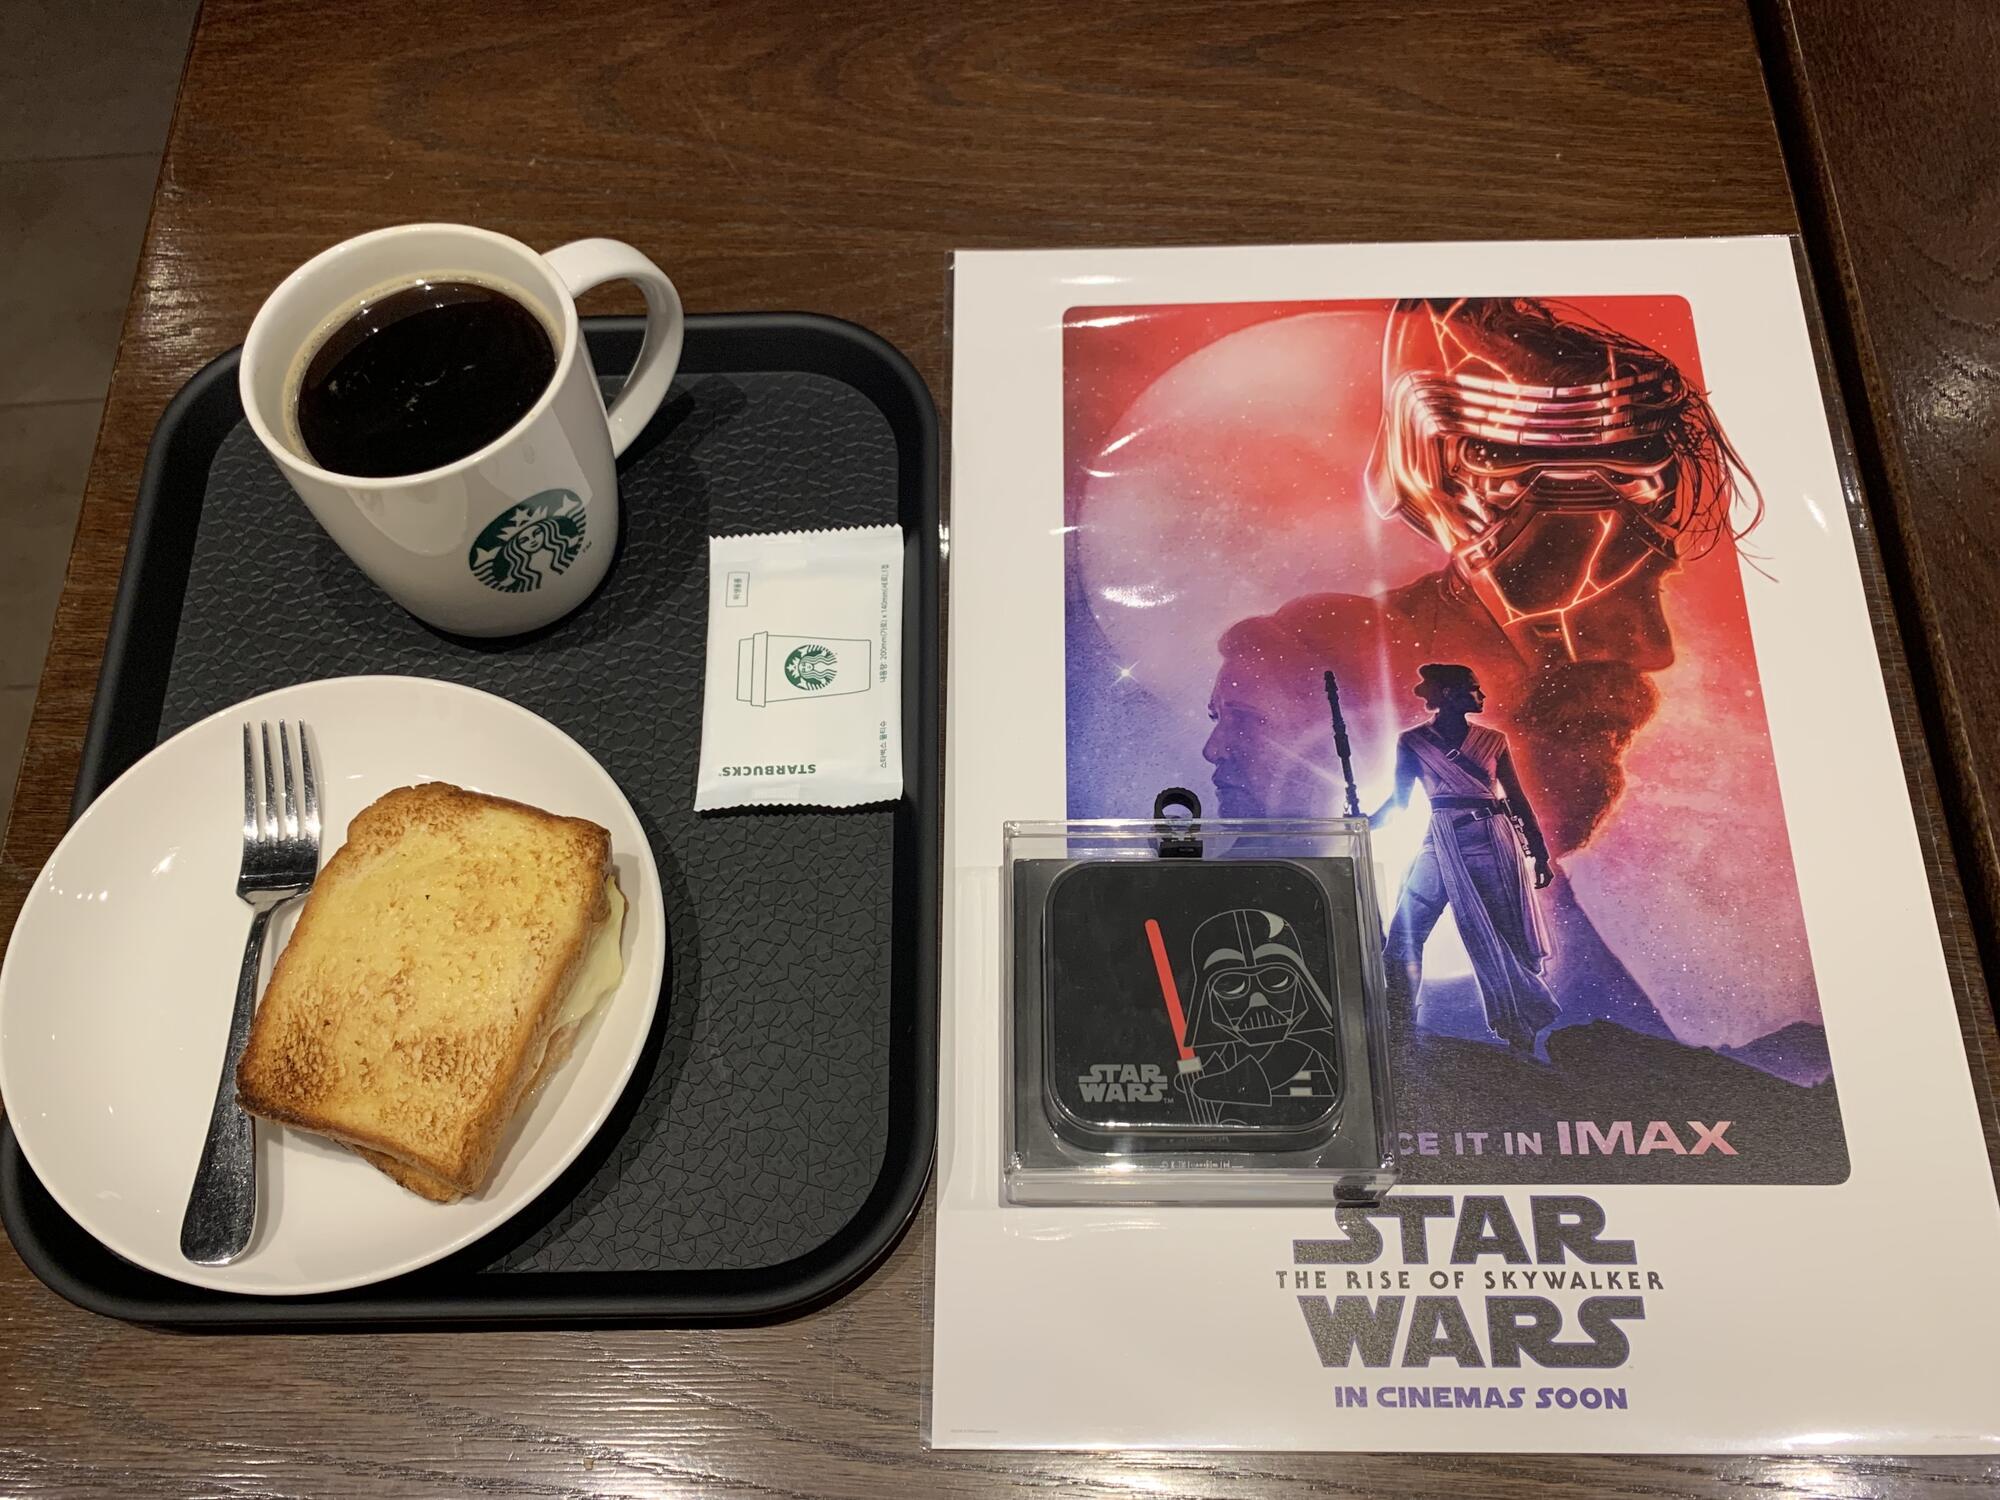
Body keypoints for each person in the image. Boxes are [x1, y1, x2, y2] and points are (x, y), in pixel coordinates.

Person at [1371, 663, 1557, 1054]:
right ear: (1450, 693)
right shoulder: (1413, 742)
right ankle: (1399, 1024)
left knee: (1507, 938)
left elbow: (1516, 799)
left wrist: (1539, 853)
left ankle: (1520, 1032)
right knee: (1405, 935)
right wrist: (1364, 822)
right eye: (1475, 688)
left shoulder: (1494, 741)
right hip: (1441, 843)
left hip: (1493, 843)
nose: (1482, 695)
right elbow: (1399, 803)